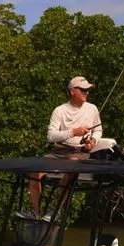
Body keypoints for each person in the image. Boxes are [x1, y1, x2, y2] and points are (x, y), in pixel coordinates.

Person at [24, 75, 103, 217]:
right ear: (73, 91)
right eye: (83, 90)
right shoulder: (59, 110)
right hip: (58, 150)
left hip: (79, 152)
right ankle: (36, 213)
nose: (87, 93)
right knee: (34, 173)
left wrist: (93, 141)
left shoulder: (93, 109)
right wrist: (73, 132)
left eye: (88, 90)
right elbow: (51, 136)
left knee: (71, 168)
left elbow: (98, 130)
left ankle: (55, 212)